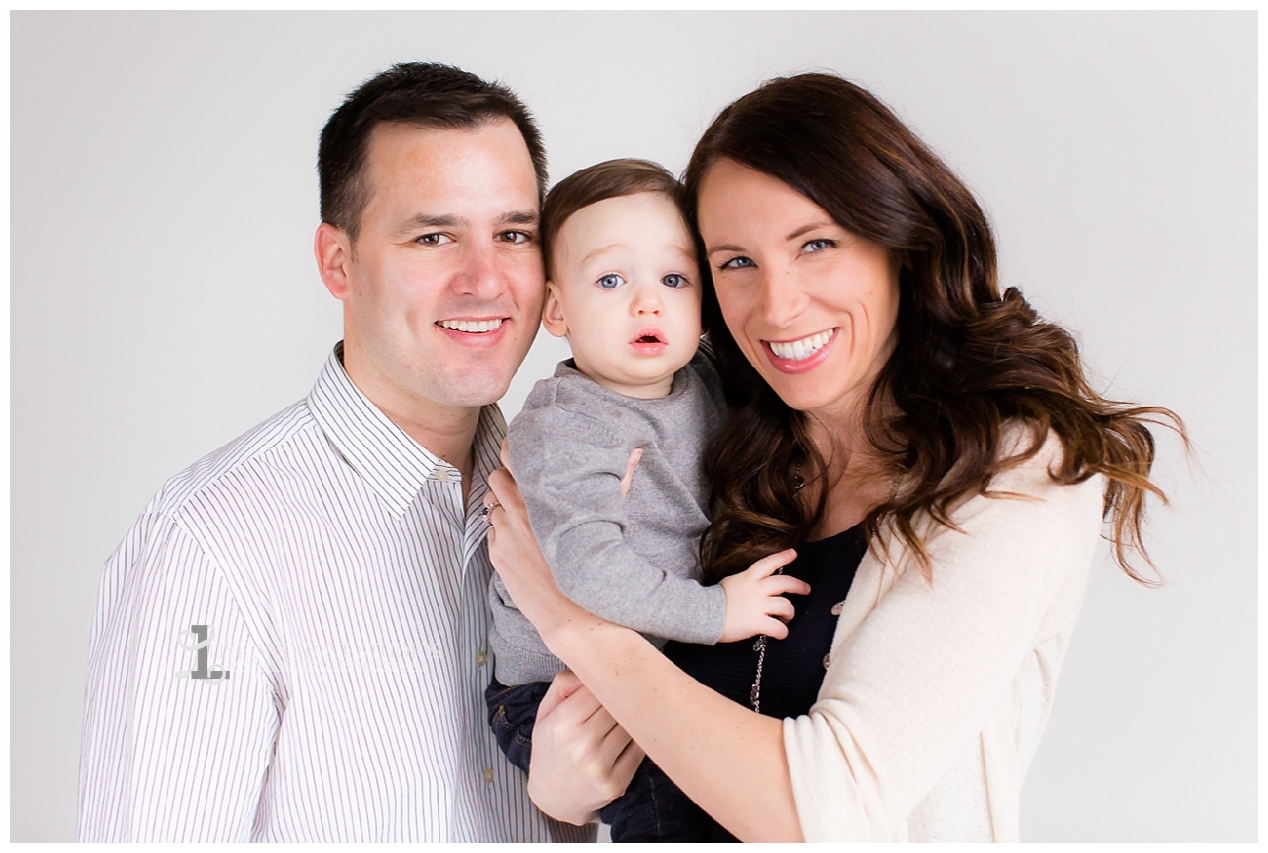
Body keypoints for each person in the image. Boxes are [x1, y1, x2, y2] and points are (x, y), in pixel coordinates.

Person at [484, 72, 1182, 842]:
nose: (777, 305)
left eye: (816, 244)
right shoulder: (734, 425)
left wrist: (576, 626)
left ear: (898, 239)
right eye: (735, 262)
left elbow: (828, 804)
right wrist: (560, 796)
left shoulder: (1015, 468)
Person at [77, 62, 634, 842]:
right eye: (433, 235)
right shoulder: (208, 548)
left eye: (513, 234)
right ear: (338, 262)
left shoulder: (577, 497)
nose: (486, 280)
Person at [483, 159, 807, 841]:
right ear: (556, 308)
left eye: (673, 278)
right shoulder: (568, 423)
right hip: (555, 687)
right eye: (610, 280)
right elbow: (588, 570)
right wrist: (716, 612)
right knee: (672, 807)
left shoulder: (699, 376)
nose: (647, 302)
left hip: (649, 655)